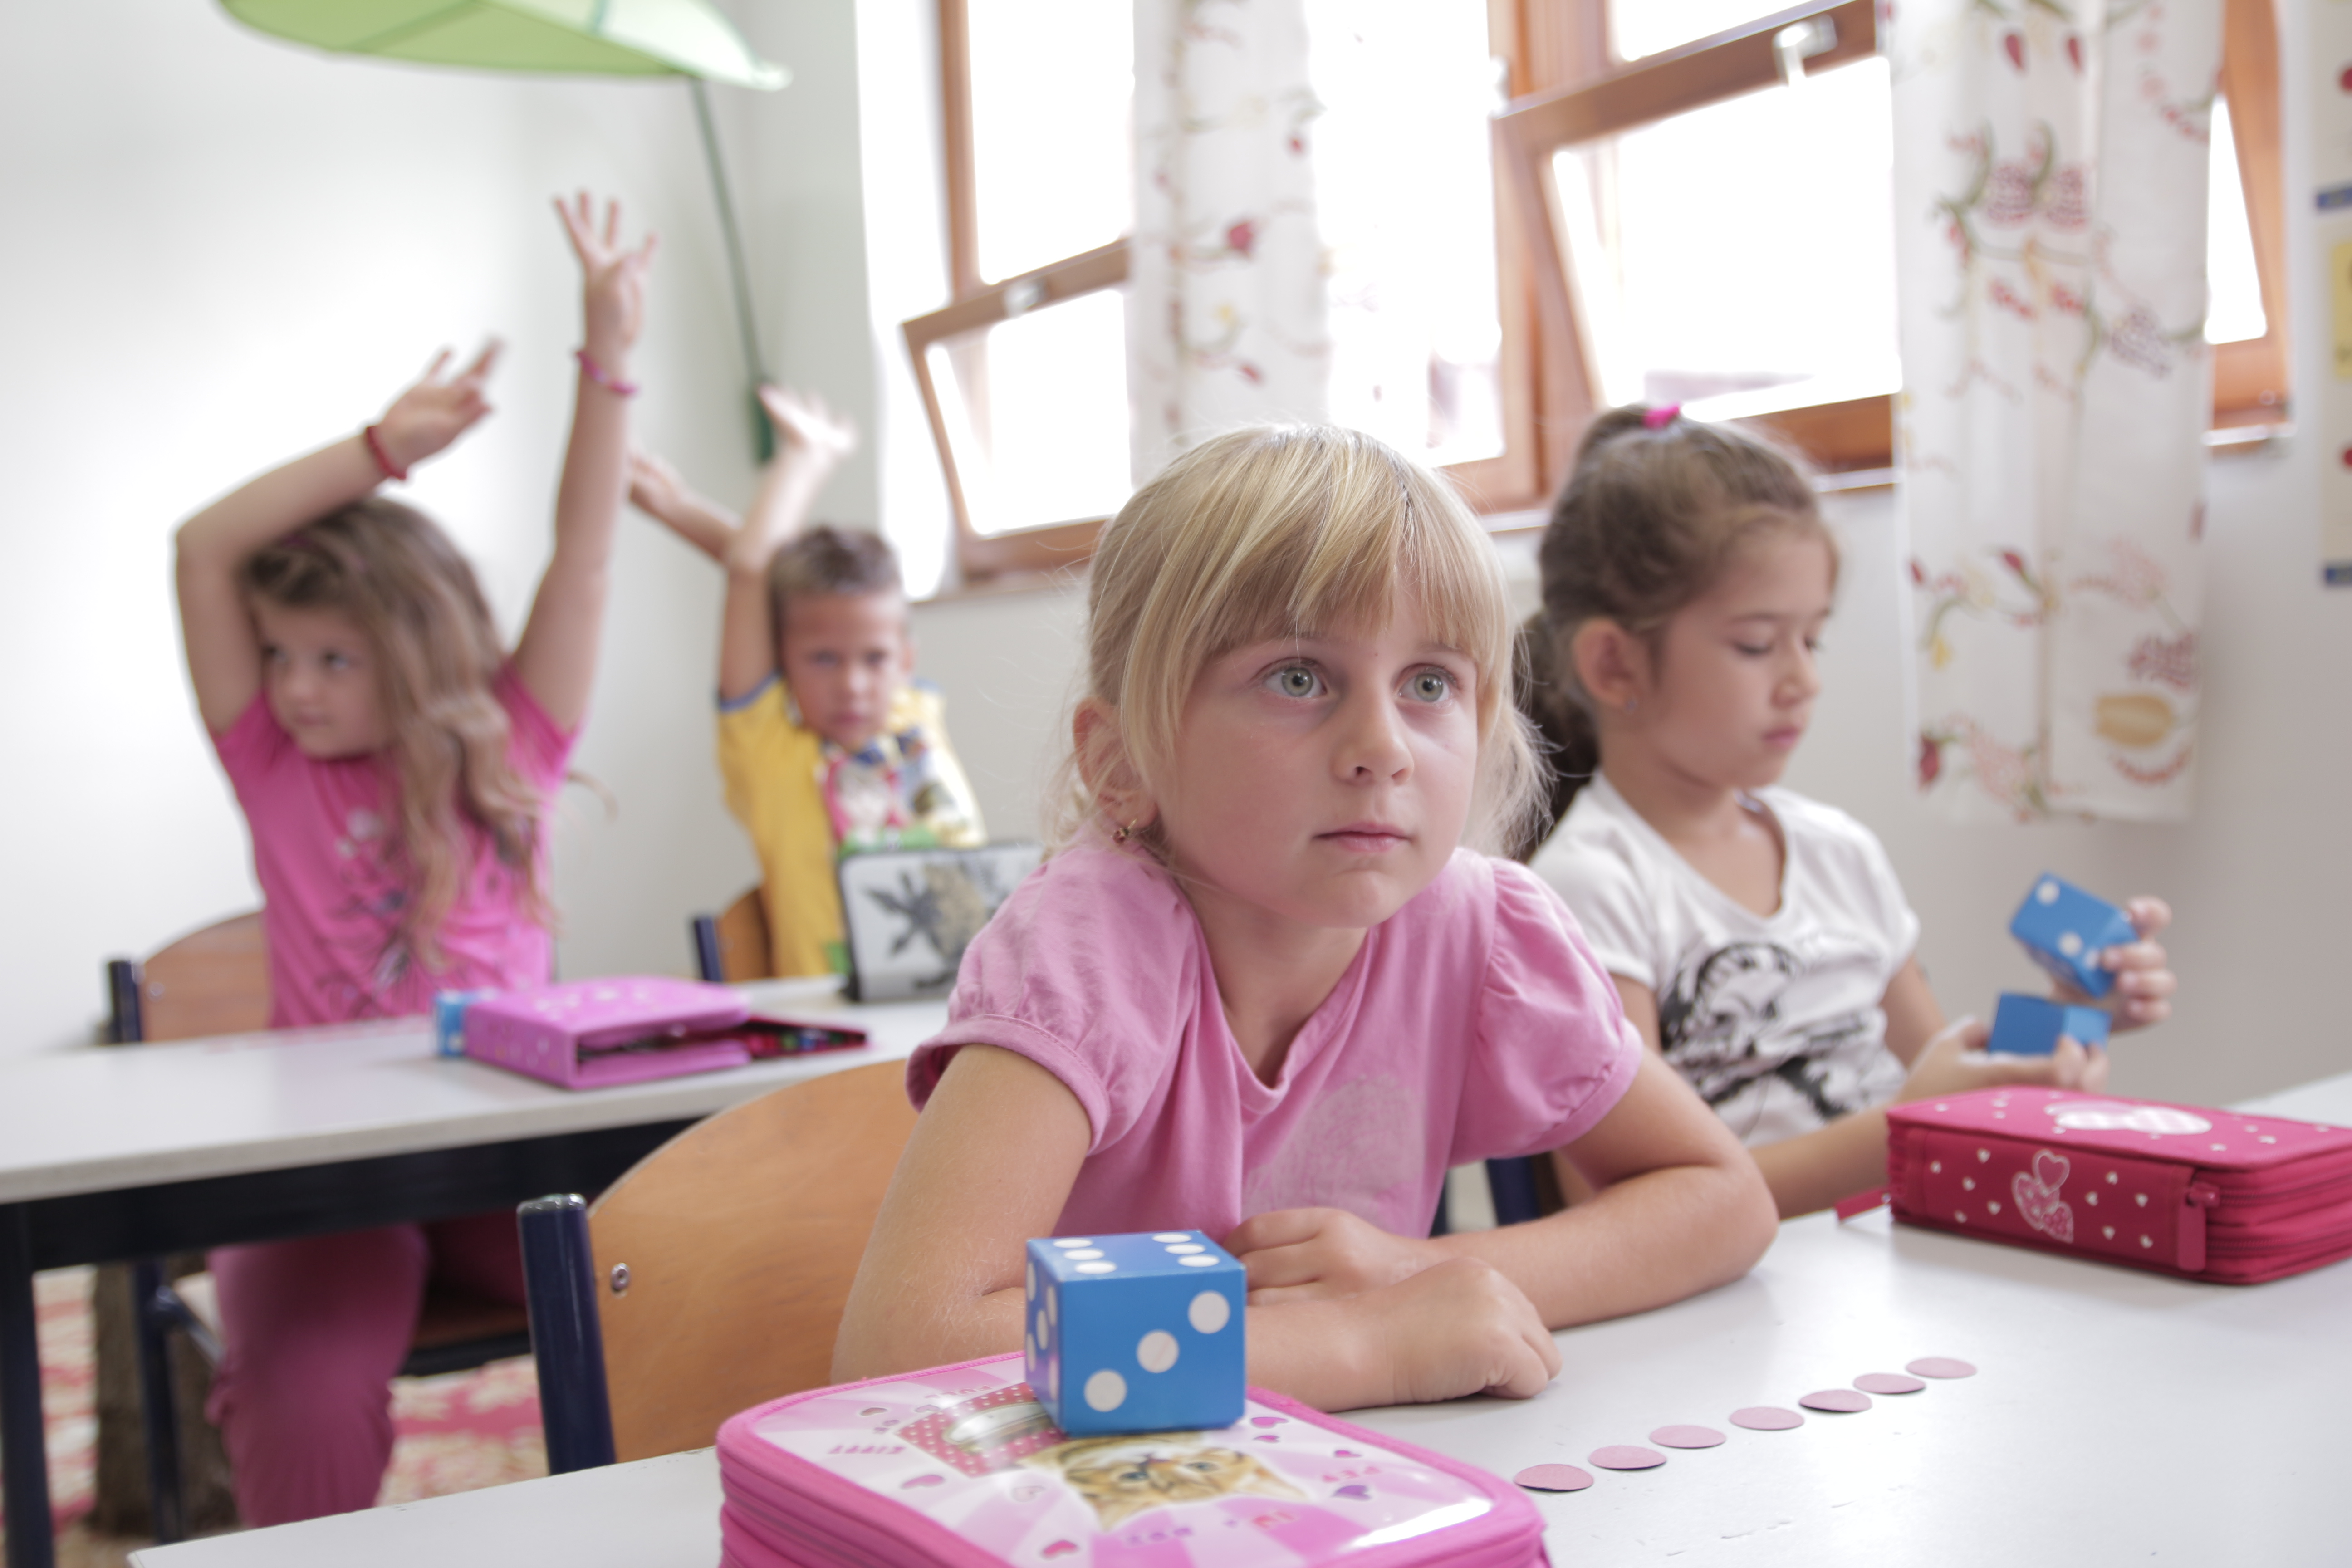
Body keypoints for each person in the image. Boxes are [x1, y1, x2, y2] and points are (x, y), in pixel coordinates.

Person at [833, 425, 1777, 1412]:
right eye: (1298, 678)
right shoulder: (1086, 954)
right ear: (1123, 763)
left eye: (1429, 685)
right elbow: (900, 1350)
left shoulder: (1478, 929)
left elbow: (1721, 1198)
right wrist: (1362, 1345)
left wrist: (1412, 1273)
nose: (1383, 746)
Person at [171, 193, 653, 1523]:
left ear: (419, 648)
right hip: (330, 1187)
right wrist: (380, 451)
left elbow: (586, 556)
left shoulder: (516, 738)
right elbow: (202, 547)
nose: (295, 687)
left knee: (693, 1294)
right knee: (304, 1393)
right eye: (280, 655)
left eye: (334, 658)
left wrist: (610, 358)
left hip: (510, 1163)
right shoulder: (271, 761)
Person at [1516, 405, 2178, 1221]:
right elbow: (1618, 1207)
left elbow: (1944, 1079)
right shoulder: (1589, 891)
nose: (1805, 680)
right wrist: (1902, 1130)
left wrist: (2074, 1021)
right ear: (1615, 663)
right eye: (1758, 645)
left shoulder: (1838, 852)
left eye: (1813, 640)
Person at [630, 387, 984, 978]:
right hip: (838, 1020)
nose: (853, 685)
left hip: (967, 1003)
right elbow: (752, 573)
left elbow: (788, 588)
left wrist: (678, 507)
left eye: (875, 659)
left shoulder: (912, 714)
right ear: (780, 661)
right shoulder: (767, 750)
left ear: (905, 660)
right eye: (822, 659)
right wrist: (807, 458)